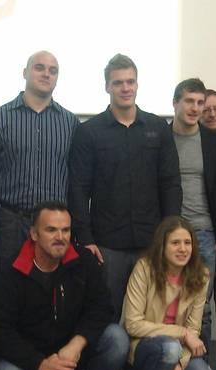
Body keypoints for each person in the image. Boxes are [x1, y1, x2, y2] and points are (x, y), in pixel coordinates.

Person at [0, 201, 128, 370]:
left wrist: (76, 344)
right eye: (51, 230)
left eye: (65, 230)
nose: (60, 237)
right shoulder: (11, 271)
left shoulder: (84, 261)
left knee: (117, 338)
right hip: (24, 354)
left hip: (68, 349)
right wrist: (40, 363)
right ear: (34, 234)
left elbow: (102, 308)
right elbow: (0, 332)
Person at [69, 54, 182, 319]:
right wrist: (85, 238)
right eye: (118, 82)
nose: (125, 88)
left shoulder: (158, 128)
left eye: (130, 81)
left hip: (151, 242)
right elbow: (78, 187)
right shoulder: (89, 132)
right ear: (107, 87)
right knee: (106, 315)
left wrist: (170, 232)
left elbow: (170, 183)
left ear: (137, 85)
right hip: (107, 245)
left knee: (153, 316)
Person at [0, 51, 79, 275]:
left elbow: (76, 177)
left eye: (53, 71)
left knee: (50, 287)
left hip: (55, 226)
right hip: (11, 223)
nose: (46, 74)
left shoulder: (70, 123)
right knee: (8, 287)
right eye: (39, 68)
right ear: (25, 72)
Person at [122, 216, 216, 370]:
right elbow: (133, 324)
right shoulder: (144, 268)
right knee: (169, 349)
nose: (183, 249)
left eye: (187, 243)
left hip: (178, 349)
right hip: (145, 344)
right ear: (162, 246)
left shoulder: (201, 275)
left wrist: (178, 364)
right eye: (175, 243)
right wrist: (181, 334)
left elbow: (193, 329)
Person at [170, 77, 216, 342]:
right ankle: (171, 360)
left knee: (202, 306)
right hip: (171, 232)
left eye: (200, 102)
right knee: (168, 303)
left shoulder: (215, 142)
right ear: (175, 103)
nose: (195, 108)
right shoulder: (161, 138)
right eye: (189, 101)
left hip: (205, 232)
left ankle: (200, 362)